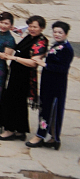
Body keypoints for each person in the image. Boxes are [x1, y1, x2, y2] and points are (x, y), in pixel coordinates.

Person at [0, 15, 47, 140]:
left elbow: (34, 62)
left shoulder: (41, 42)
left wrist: (14, 58)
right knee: (18, 103)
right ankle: (20, 130)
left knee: (14, 101)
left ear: (42, 28)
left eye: (35, 27)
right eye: (30, 26)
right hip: (16, 73)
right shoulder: (29, 36)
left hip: (24, 76)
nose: (32, 29)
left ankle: (10, 130)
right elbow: (17, 30)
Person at [27, 21, 71, 149]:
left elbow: (62, 68)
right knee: (45, 107)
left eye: (60, 32)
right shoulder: (57, 45)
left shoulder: (67, 49)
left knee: (50, 109)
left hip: (56, 85)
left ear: (66, 34)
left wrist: (43, 63)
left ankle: (41, 136)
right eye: (55, 32)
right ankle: (52, 138)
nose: (57, 34)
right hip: (48, 82)